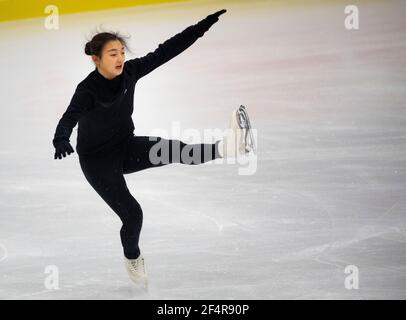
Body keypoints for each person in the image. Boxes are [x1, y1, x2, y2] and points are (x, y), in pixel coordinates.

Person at [52, 9, 254, 286]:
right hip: (97, 161)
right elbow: (69, 118)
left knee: (178, 149)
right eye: (113, 54)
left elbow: (166, 51)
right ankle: (132, 257)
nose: (120, 58)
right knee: (133, 215)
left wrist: (200, 27)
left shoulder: (130, 72)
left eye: (121, 51)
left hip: (125, 146)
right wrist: (61, 138)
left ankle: (229, 148)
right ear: (95, 59)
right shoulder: (87, 90)